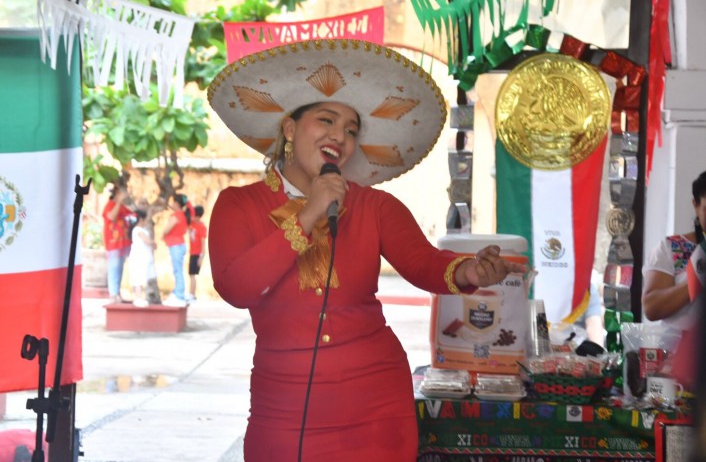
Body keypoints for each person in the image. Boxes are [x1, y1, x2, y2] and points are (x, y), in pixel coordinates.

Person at [206, 39, 529, 462]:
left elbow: (424, 262)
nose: (339, 136)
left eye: (351, 130)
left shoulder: (373, 206)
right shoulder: (238, 205)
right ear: (289, 129)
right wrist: (310, 213)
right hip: (283, 405)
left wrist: (470, 271)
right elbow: (236, 288)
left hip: (376, 404)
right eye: (326, 120)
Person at [642, 170, 706, 330]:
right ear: (696, 205)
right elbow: (651, 308)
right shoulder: (671, 248)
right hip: (679, 344)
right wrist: (696, 279)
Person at [102, 184, 135, 304]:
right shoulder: (110, 205)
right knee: (114, 267)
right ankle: (113, 295)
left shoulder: (123, 206)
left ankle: (117, 293)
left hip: (123, 242)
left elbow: (133, 215)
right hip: (113, 242)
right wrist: (119, 202)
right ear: (116, 194)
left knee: (119, 268)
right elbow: (111, 217)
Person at [162, 193, 190, 306]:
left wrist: (162, 235)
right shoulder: (183, 215)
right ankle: (178, 292)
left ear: (177, 204)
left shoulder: (176, 216)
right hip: (179, 245)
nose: (172, 204)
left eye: (173, 202)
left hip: (176, 245)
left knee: (177, 271)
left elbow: (166, 229)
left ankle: (179, 294)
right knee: (178, 270)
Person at [127, 209, 157, 307]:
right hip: (138, 257)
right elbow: (147, 240)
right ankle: (138, 297)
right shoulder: (138, 230)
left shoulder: (138, 230)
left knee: (140, 277)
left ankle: (140, 297)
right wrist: (153, 243)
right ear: (141, 219)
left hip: (141, 257)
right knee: (138, 278)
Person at [187, 204, 207, 301]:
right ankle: (191, 294)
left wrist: (201, 257)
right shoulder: (191, 223)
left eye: (194, 215)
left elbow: (203, 244)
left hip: (197, 254)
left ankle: (192, 294)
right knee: (191, 274)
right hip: (191, 252)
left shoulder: (202, 227)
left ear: (198, 216)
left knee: (193, 275)